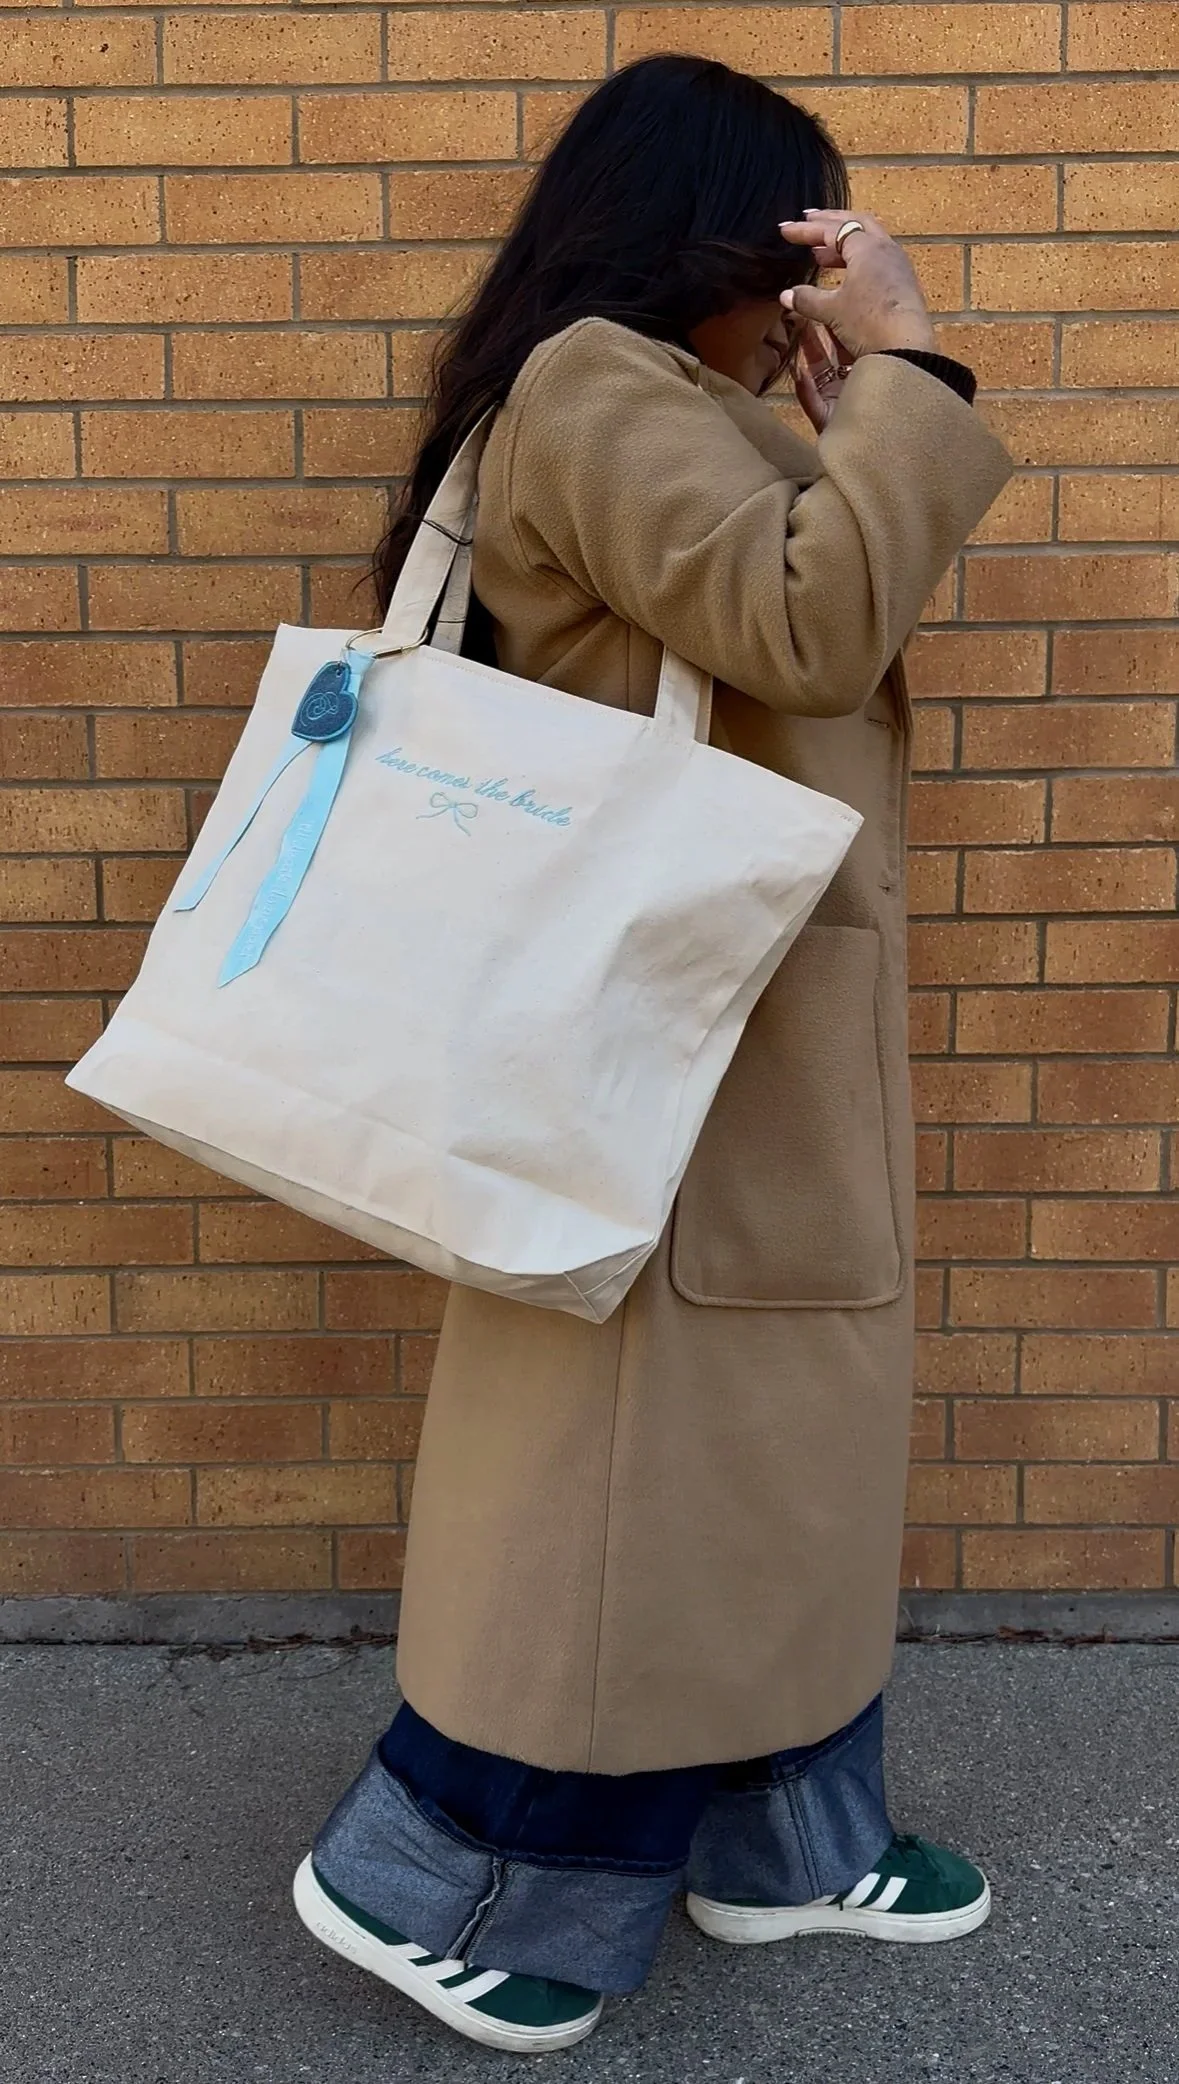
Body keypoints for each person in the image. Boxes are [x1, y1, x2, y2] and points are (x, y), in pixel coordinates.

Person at [293, 54, 1012, 2052]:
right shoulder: (594, 389)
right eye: (806, 232)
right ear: (730, 226)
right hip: (666, 1055)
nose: (817, 283)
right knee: (640, 1496)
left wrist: (829, 421)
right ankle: (430, 1869)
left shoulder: (669, 404)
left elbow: (792, 613)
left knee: (764, 1476)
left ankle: (787, 1838)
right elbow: (798, 628)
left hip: (744, 1045)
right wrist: (908, 374)